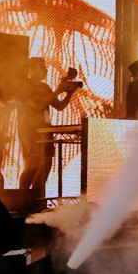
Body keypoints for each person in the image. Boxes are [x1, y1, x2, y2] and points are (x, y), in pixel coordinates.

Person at [16, 58, 85, 193]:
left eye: (45, 68)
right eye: (42, 68)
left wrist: (69, 94)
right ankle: (22, 195)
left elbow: (59, 106)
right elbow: (38, 105)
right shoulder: (25, 86)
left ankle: (37, 196)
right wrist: (58, 90)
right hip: (30, 130)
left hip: (45, 129)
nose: (45, 70)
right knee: (33, 164)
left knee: (46, 163)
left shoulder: (45, 87)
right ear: (31, 69)